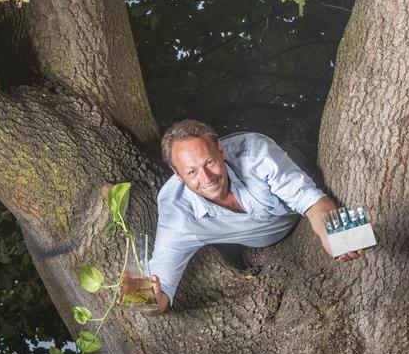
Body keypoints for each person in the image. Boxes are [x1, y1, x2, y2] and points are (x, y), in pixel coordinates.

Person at [122, 120, 366, 315]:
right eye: (192, 171)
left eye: (209, 162)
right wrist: (141, 300)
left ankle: (301, 128)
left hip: (298, 162)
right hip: (269, 237)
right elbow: (159, 295)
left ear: (220, 150)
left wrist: (339, 237)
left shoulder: (254, 151)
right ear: (176, 174)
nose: (206, 177)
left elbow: (311, 201)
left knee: (303, 141)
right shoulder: (176, 211)